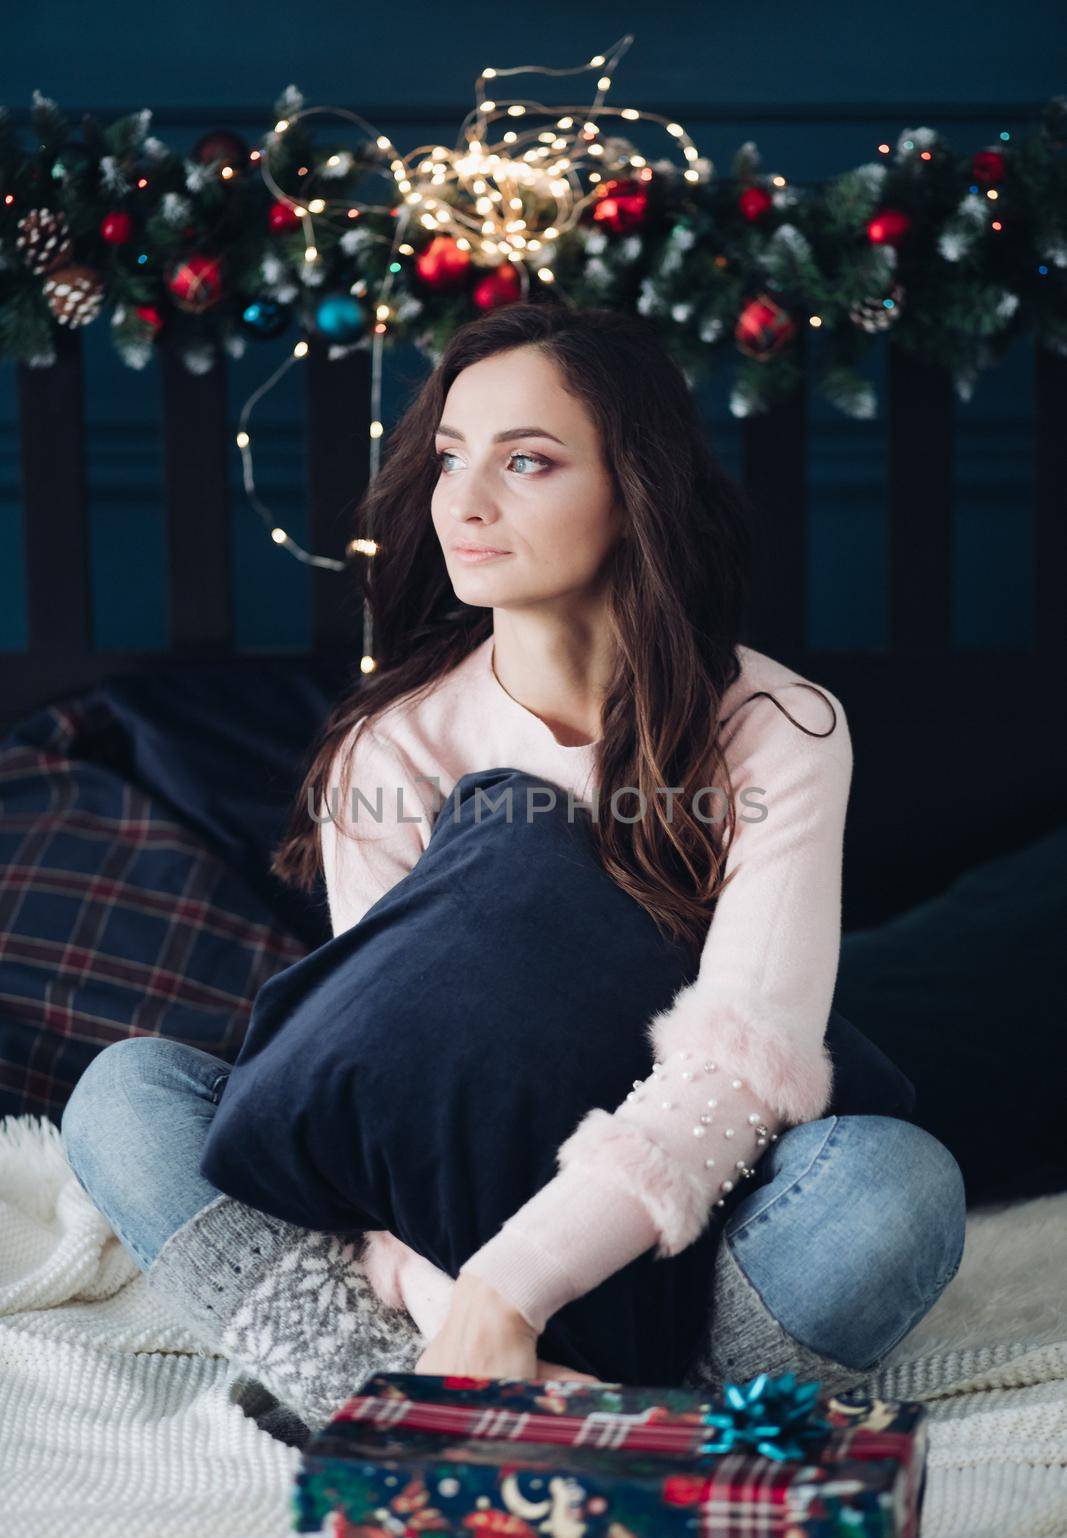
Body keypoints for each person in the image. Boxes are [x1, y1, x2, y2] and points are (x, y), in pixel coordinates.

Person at [61, 301, 966, 1436]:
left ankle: (497, 1401)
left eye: (526, 461)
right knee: (127, 1093)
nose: (465, 503)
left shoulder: (780, 726)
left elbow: (744, 1066)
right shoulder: (390, 749)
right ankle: (493, 1401)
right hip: (436, 1222)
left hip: (681, 1225)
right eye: (449, 458)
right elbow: (370, 1106)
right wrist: (464, 1308)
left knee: (894, 1186)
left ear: (631, 489)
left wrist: (511, 1291)